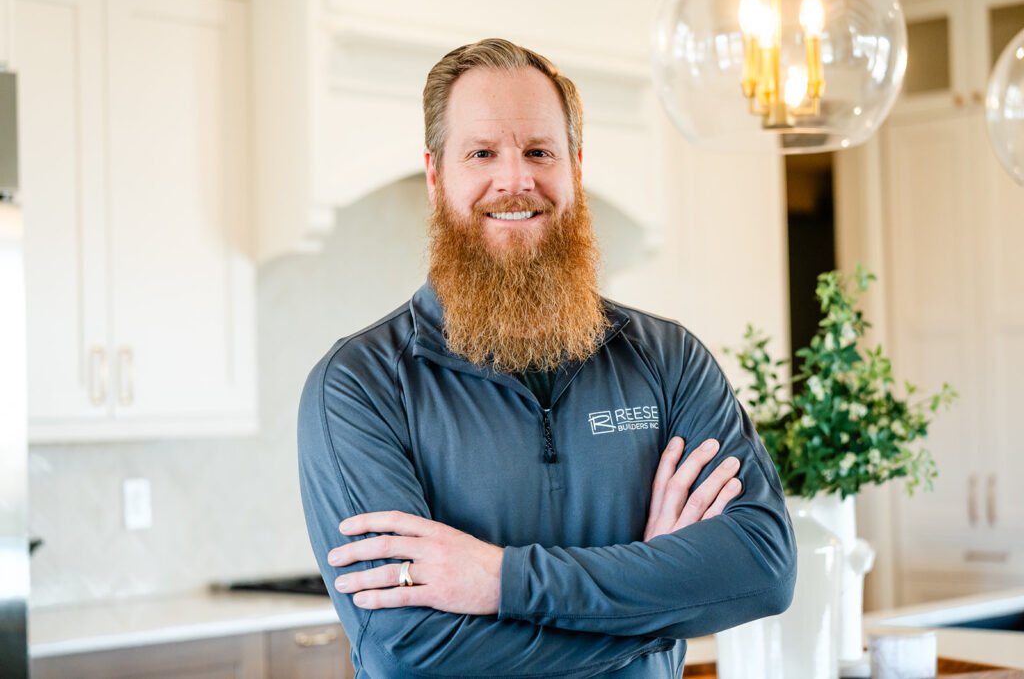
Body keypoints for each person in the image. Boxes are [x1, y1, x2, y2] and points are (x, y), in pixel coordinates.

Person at [298, 38, 796, 678]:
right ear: (436, 175)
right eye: (482, 153)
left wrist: (500, 579)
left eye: (539, 152)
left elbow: (762, 567)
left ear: (575, 169)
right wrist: (657, 605)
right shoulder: (359, 386)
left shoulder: (669, 359)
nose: (515, 180)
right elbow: (408, 652)